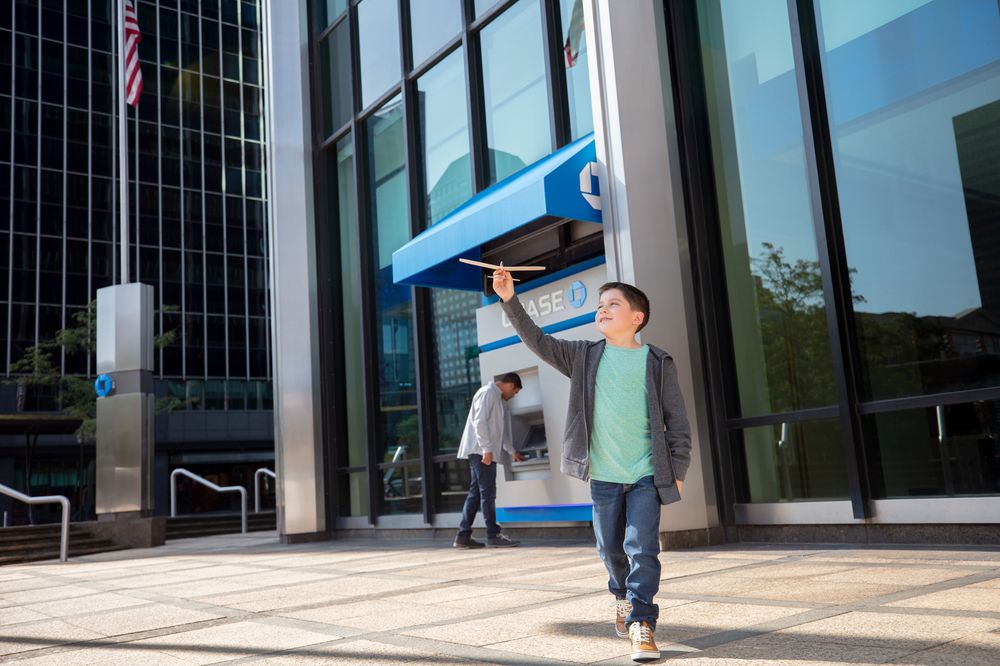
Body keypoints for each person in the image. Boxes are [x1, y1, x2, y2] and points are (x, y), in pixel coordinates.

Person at [492, 268, 691, 663]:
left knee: (643, 548)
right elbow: (537, 340)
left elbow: (678, 422)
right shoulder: (584, 356)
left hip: (647, 474)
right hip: (602, 476)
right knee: (610, 550)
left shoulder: (657, 361)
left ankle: (641, 621)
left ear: (637, 317)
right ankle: (620, 594)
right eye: (600, 305)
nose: (602, 310)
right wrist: (509, 298)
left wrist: (679, 471)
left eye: (613, 304)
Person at [454, 372, 527, 549]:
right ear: (511, 385)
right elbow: (479, 422)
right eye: (515, 392)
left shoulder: (495, 397)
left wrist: (512, 451)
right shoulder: (488, 393)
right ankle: (493, 535)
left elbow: (499, 431)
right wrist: (486, 449)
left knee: (476, 494)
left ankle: (463, 536)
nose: (513, 396)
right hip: (481, 452)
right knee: (488, 493)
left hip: (480, 451)